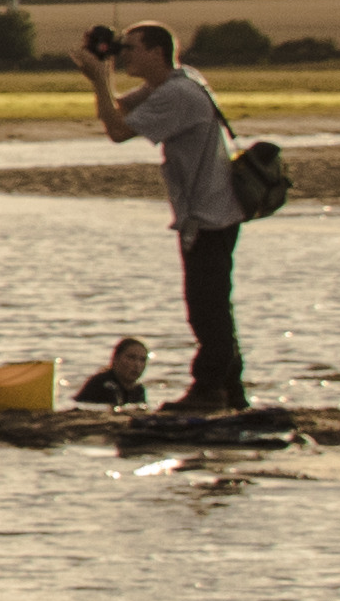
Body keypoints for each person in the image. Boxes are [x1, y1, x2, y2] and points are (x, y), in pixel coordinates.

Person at [84, 23, 255, 415]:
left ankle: (210, 390)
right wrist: (101, 73)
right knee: (214, 307)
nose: (124, 54)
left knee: (206, 309)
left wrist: (98, 81)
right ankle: (231, 391)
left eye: (131, 48)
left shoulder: (178, 93)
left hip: (208, 216)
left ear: (157, 52)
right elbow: (123, 106)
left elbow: (117, 130)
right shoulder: (179, 80)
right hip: (213, 213)